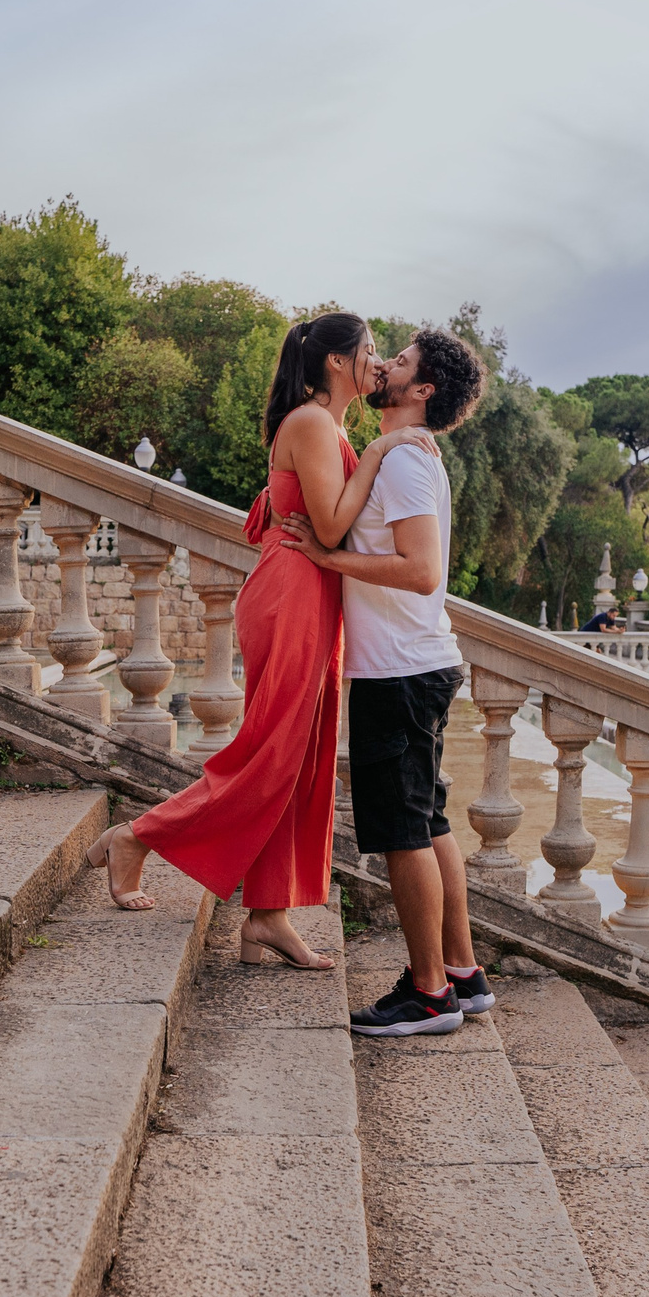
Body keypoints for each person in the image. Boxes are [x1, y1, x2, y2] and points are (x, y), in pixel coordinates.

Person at [82, 312, 434, 972]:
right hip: (294, 592)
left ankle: (268, 917)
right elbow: (328, 527)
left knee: (303, 762)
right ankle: (136, 837)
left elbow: (307, 509)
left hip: (314, 595)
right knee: (270, 754)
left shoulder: (325, 429)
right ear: (336, 362)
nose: (377, 359)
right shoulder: (310, 422)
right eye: (368, 350)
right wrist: (388, 450)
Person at [279, 329, 489, 1036]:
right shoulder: (405, 456)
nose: (385, 366)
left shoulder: (404, 462)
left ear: (422, 391)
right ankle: (461, 970)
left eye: (399, 363)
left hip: (398, 670)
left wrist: (331, 562)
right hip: (418, 663)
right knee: (429, 823)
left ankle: (428, 993)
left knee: (405, 833)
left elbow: (423, 570)